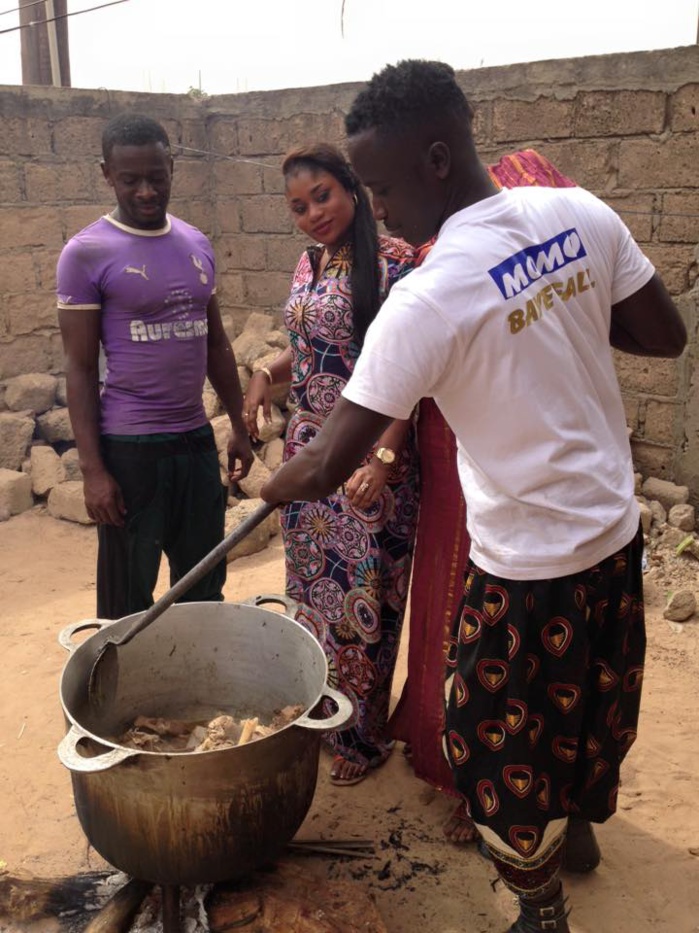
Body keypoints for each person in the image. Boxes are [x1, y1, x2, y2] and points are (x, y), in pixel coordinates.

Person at [260, 61, 687, 933]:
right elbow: (662, 333)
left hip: (526, 566)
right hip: (613, 535)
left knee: (489, 739)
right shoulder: (576, 212)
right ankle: (576, 830)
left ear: (436, 159)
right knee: (591, 699)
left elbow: (328, 461)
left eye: (381, 187)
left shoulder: (428, 296)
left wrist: (271, 486)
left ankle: (538, 907)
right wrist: (550, 308)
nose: (379, 209)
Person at [391, 149, 577, 848]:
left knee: (503, 622)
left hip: (521, 452)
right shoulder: (445, 254)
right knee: (453, 599)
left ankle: (497, 783)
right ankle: (458, 763)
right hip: (454, 445)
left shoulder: (555, 240)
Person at [242, 143, 418, 786]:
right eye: (298, 207)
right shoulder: (309, 261)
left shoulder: (395, 261)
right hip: (310, 451)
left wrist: (385, 457)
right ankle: (322, 714)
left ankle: (362, 739)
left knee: (366, 603)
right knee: (314, 595)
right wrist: (265, 372)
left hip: (369, 455)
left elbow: (411, 363)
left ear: (350, 187)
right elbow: (310, 343)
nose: (313, 214)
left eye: (322, 197)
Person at [57, 113, 253, 620]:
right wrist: (93, 470)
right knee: (126, 603)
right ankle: (125, 676)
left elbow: (215, 344)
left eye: (156, 177)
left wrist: (238, 426)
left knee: (203, 586)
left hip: (194, 441)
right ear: (107, 174)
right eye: (130, 180)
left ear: (172, 168)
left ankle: (196, 672)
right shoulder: (86, 254)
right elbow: (80, 368)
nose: (146, 191)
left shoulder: (196, 242)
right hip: (131, 450)